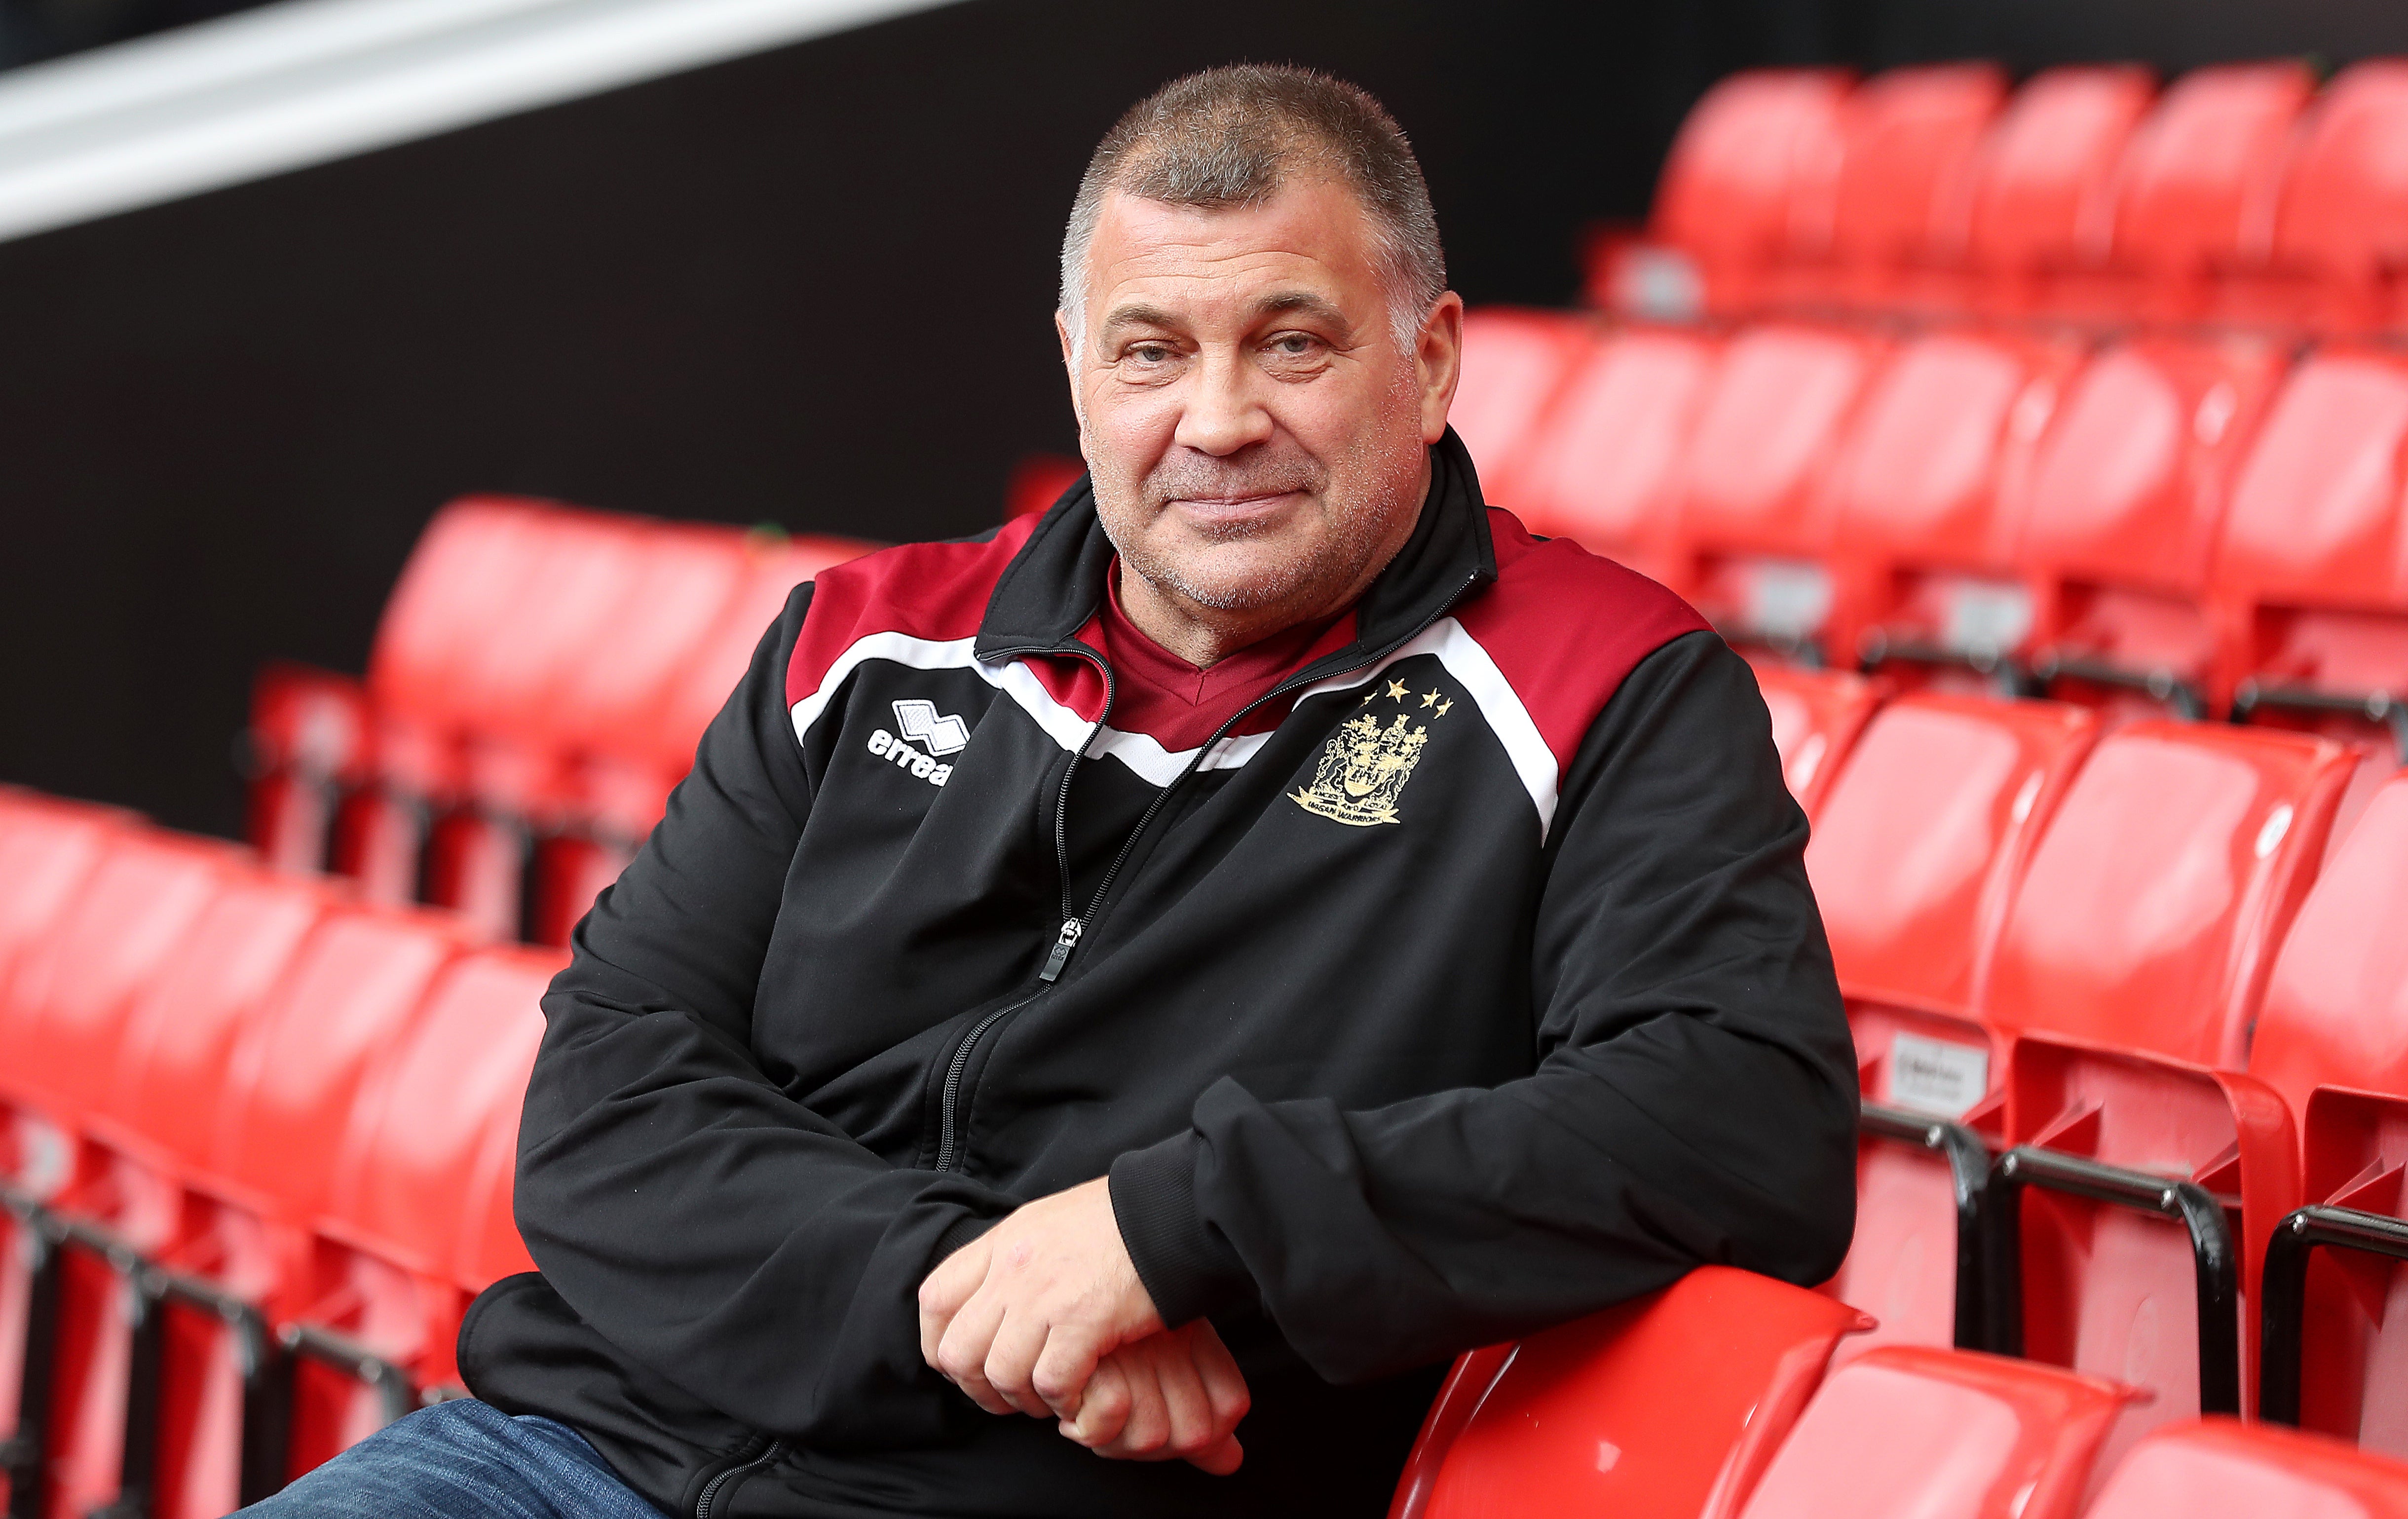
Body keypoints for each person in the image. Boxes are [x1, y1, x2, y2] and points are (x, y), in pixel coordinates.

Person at [246, 63, 1856, 1519]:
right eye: (1154, 353)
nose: (1218, 423)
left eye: (1291, 344)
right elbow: (607, 1103)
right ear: (1079, 367)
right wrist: (980, 1295)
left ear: (1430, 360)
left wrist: (1177, 1232)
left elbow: (1739, 1118)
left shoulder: (1608, 688)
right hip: (567, 1459)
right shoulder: (864, 641)